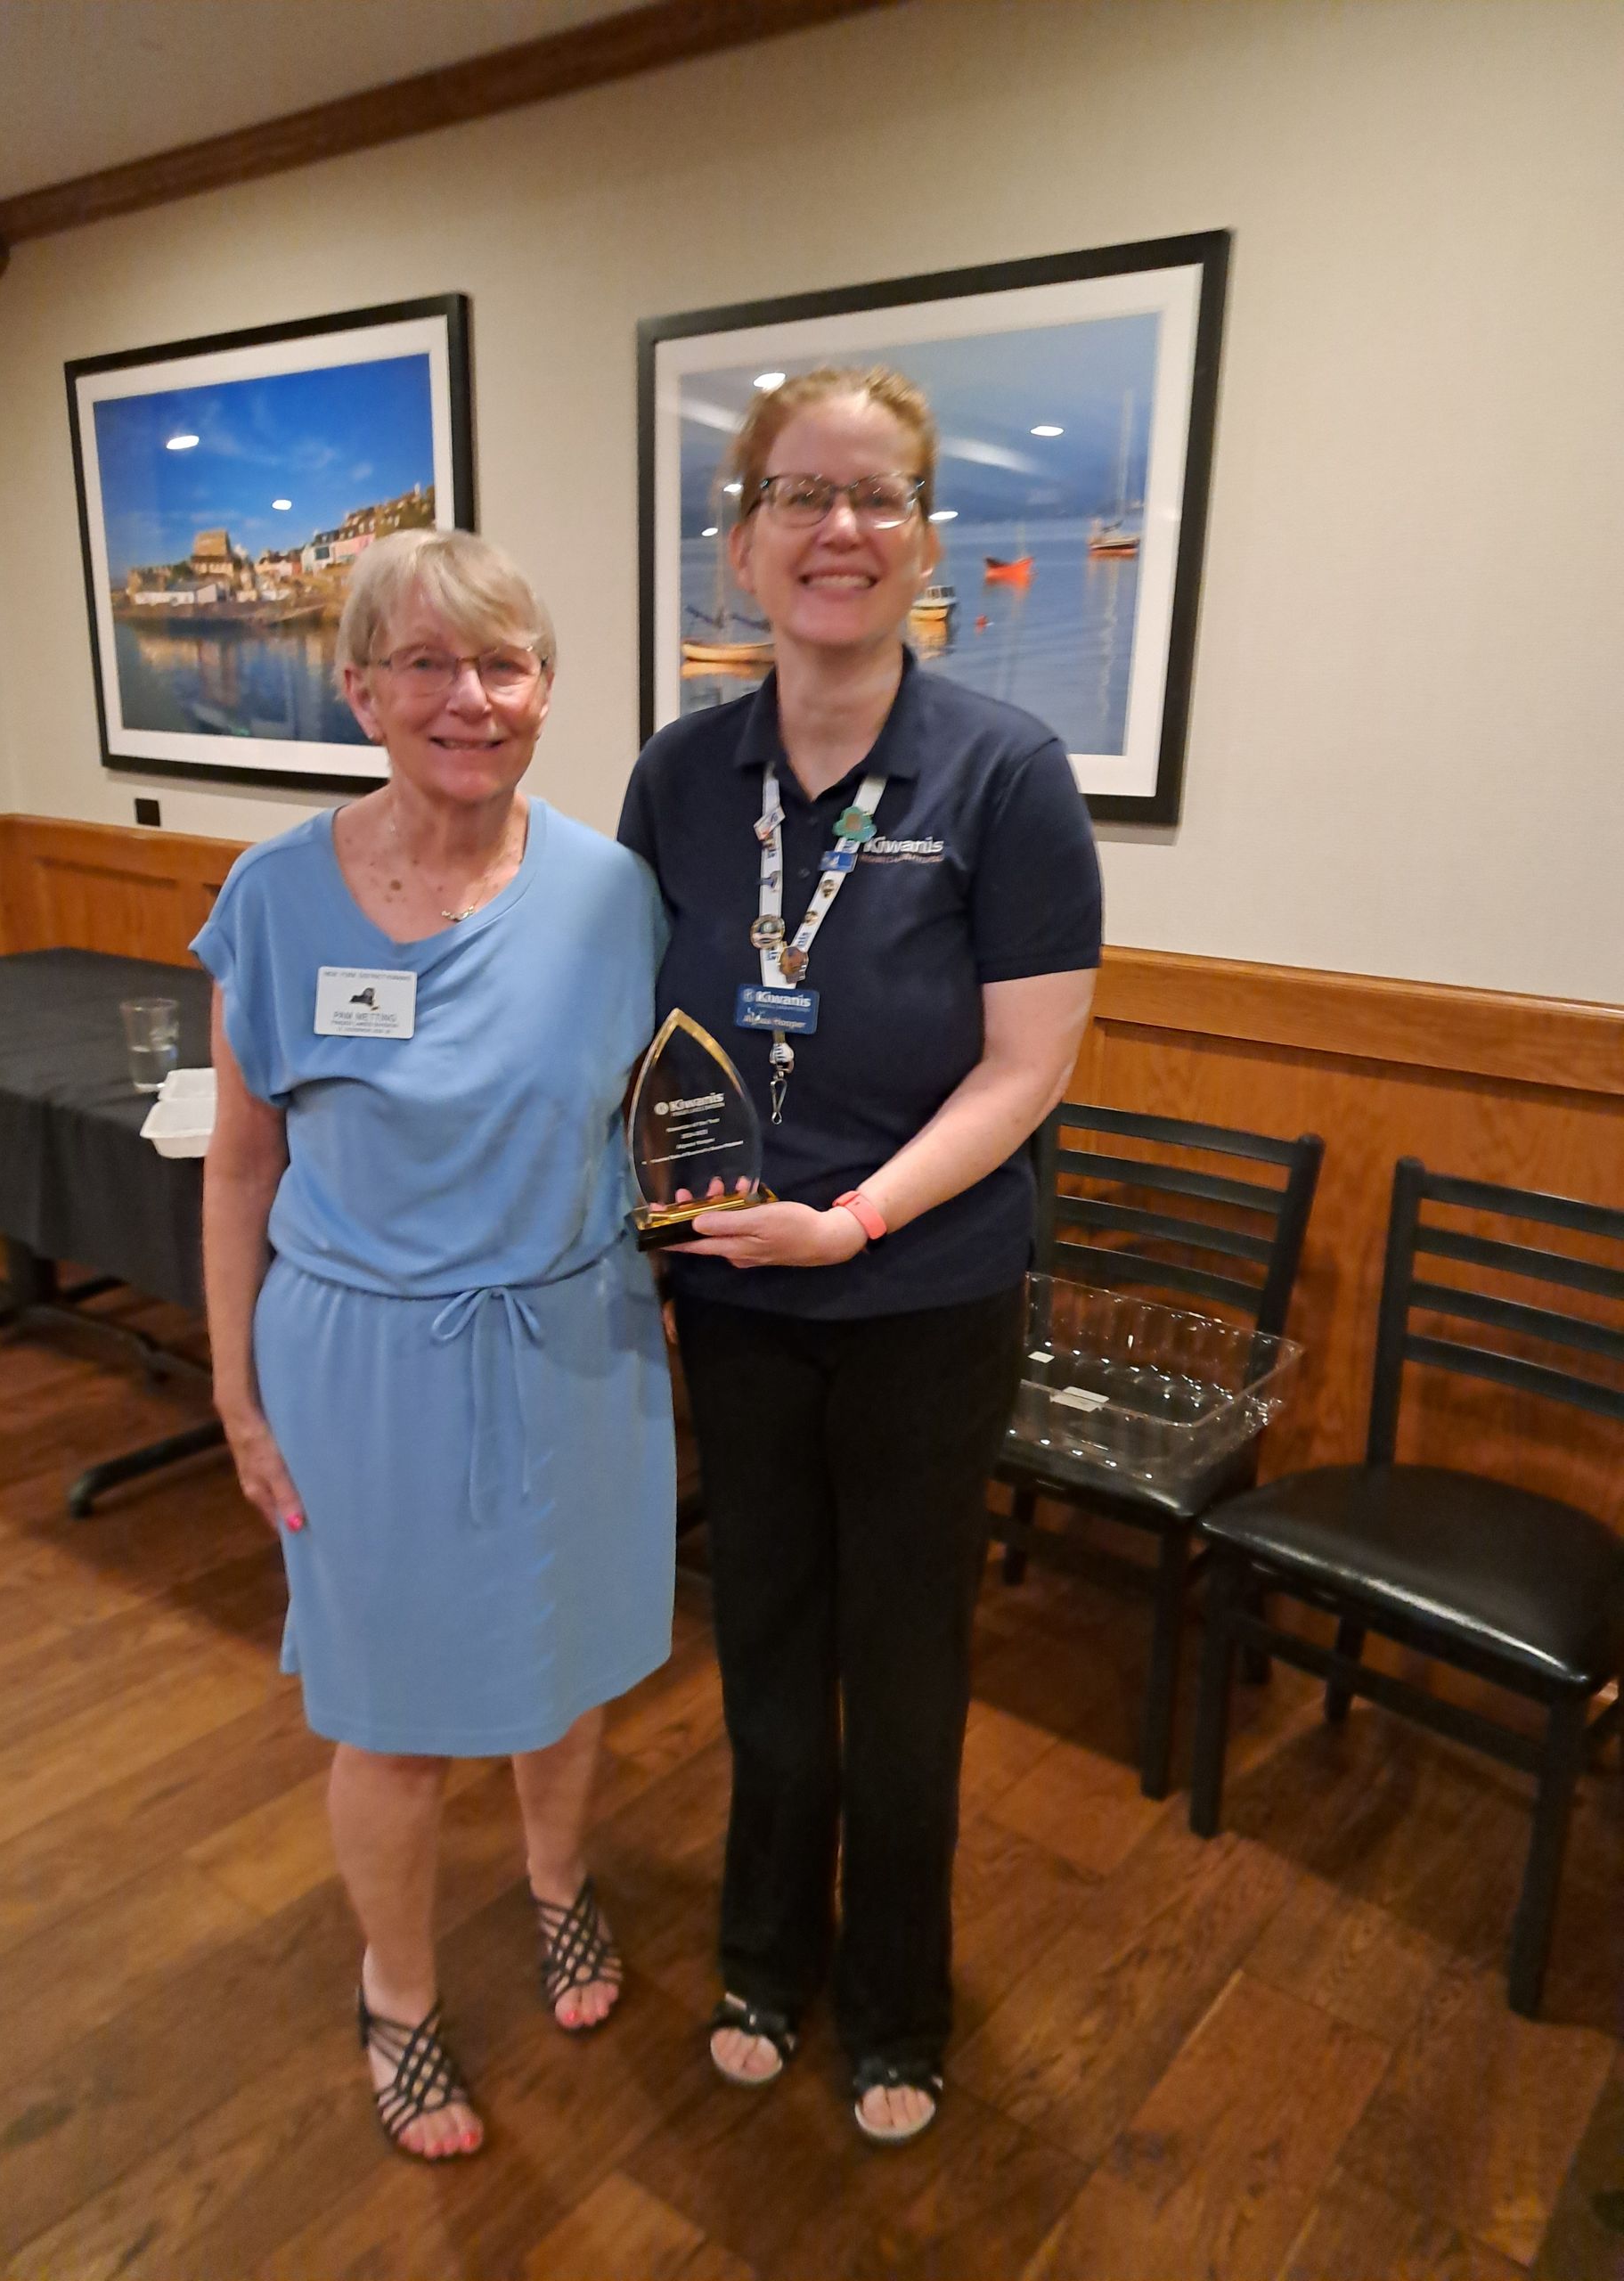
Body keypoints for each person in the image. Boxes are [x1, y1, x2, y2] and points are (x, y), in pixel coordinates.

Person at [618, 366, 1101, 2146]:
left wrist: (858, 1215)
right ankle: (763, 1951)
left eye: (879, 497)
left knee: (902, 1677)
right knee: (763, 1647)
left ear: (923, 543)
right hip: (736, 1300)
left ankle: (896, 1997)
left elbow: (1028, 1066)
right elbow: (619, 1025)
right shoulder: (679, 774)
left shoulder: (1004, 772)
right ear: (740, 544)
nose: (839, 529)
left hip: (920, 1300)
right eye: (801, 497)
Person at [196, 528, 674, 2162]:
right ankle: (395, 1994)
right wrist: (231, 1385)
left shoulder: (616, 897)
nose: (467, 699)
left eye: (504, 666)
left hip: (577, 1343)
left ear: (543, 693)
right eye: (425, 665)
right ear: (360, 691)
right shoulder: (272, 899)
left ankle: (557, 1885)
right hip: (366, 1367)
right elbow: (243, 1162)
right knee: (389, 1713)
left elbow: (657, 1118)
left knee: (567, 1667)